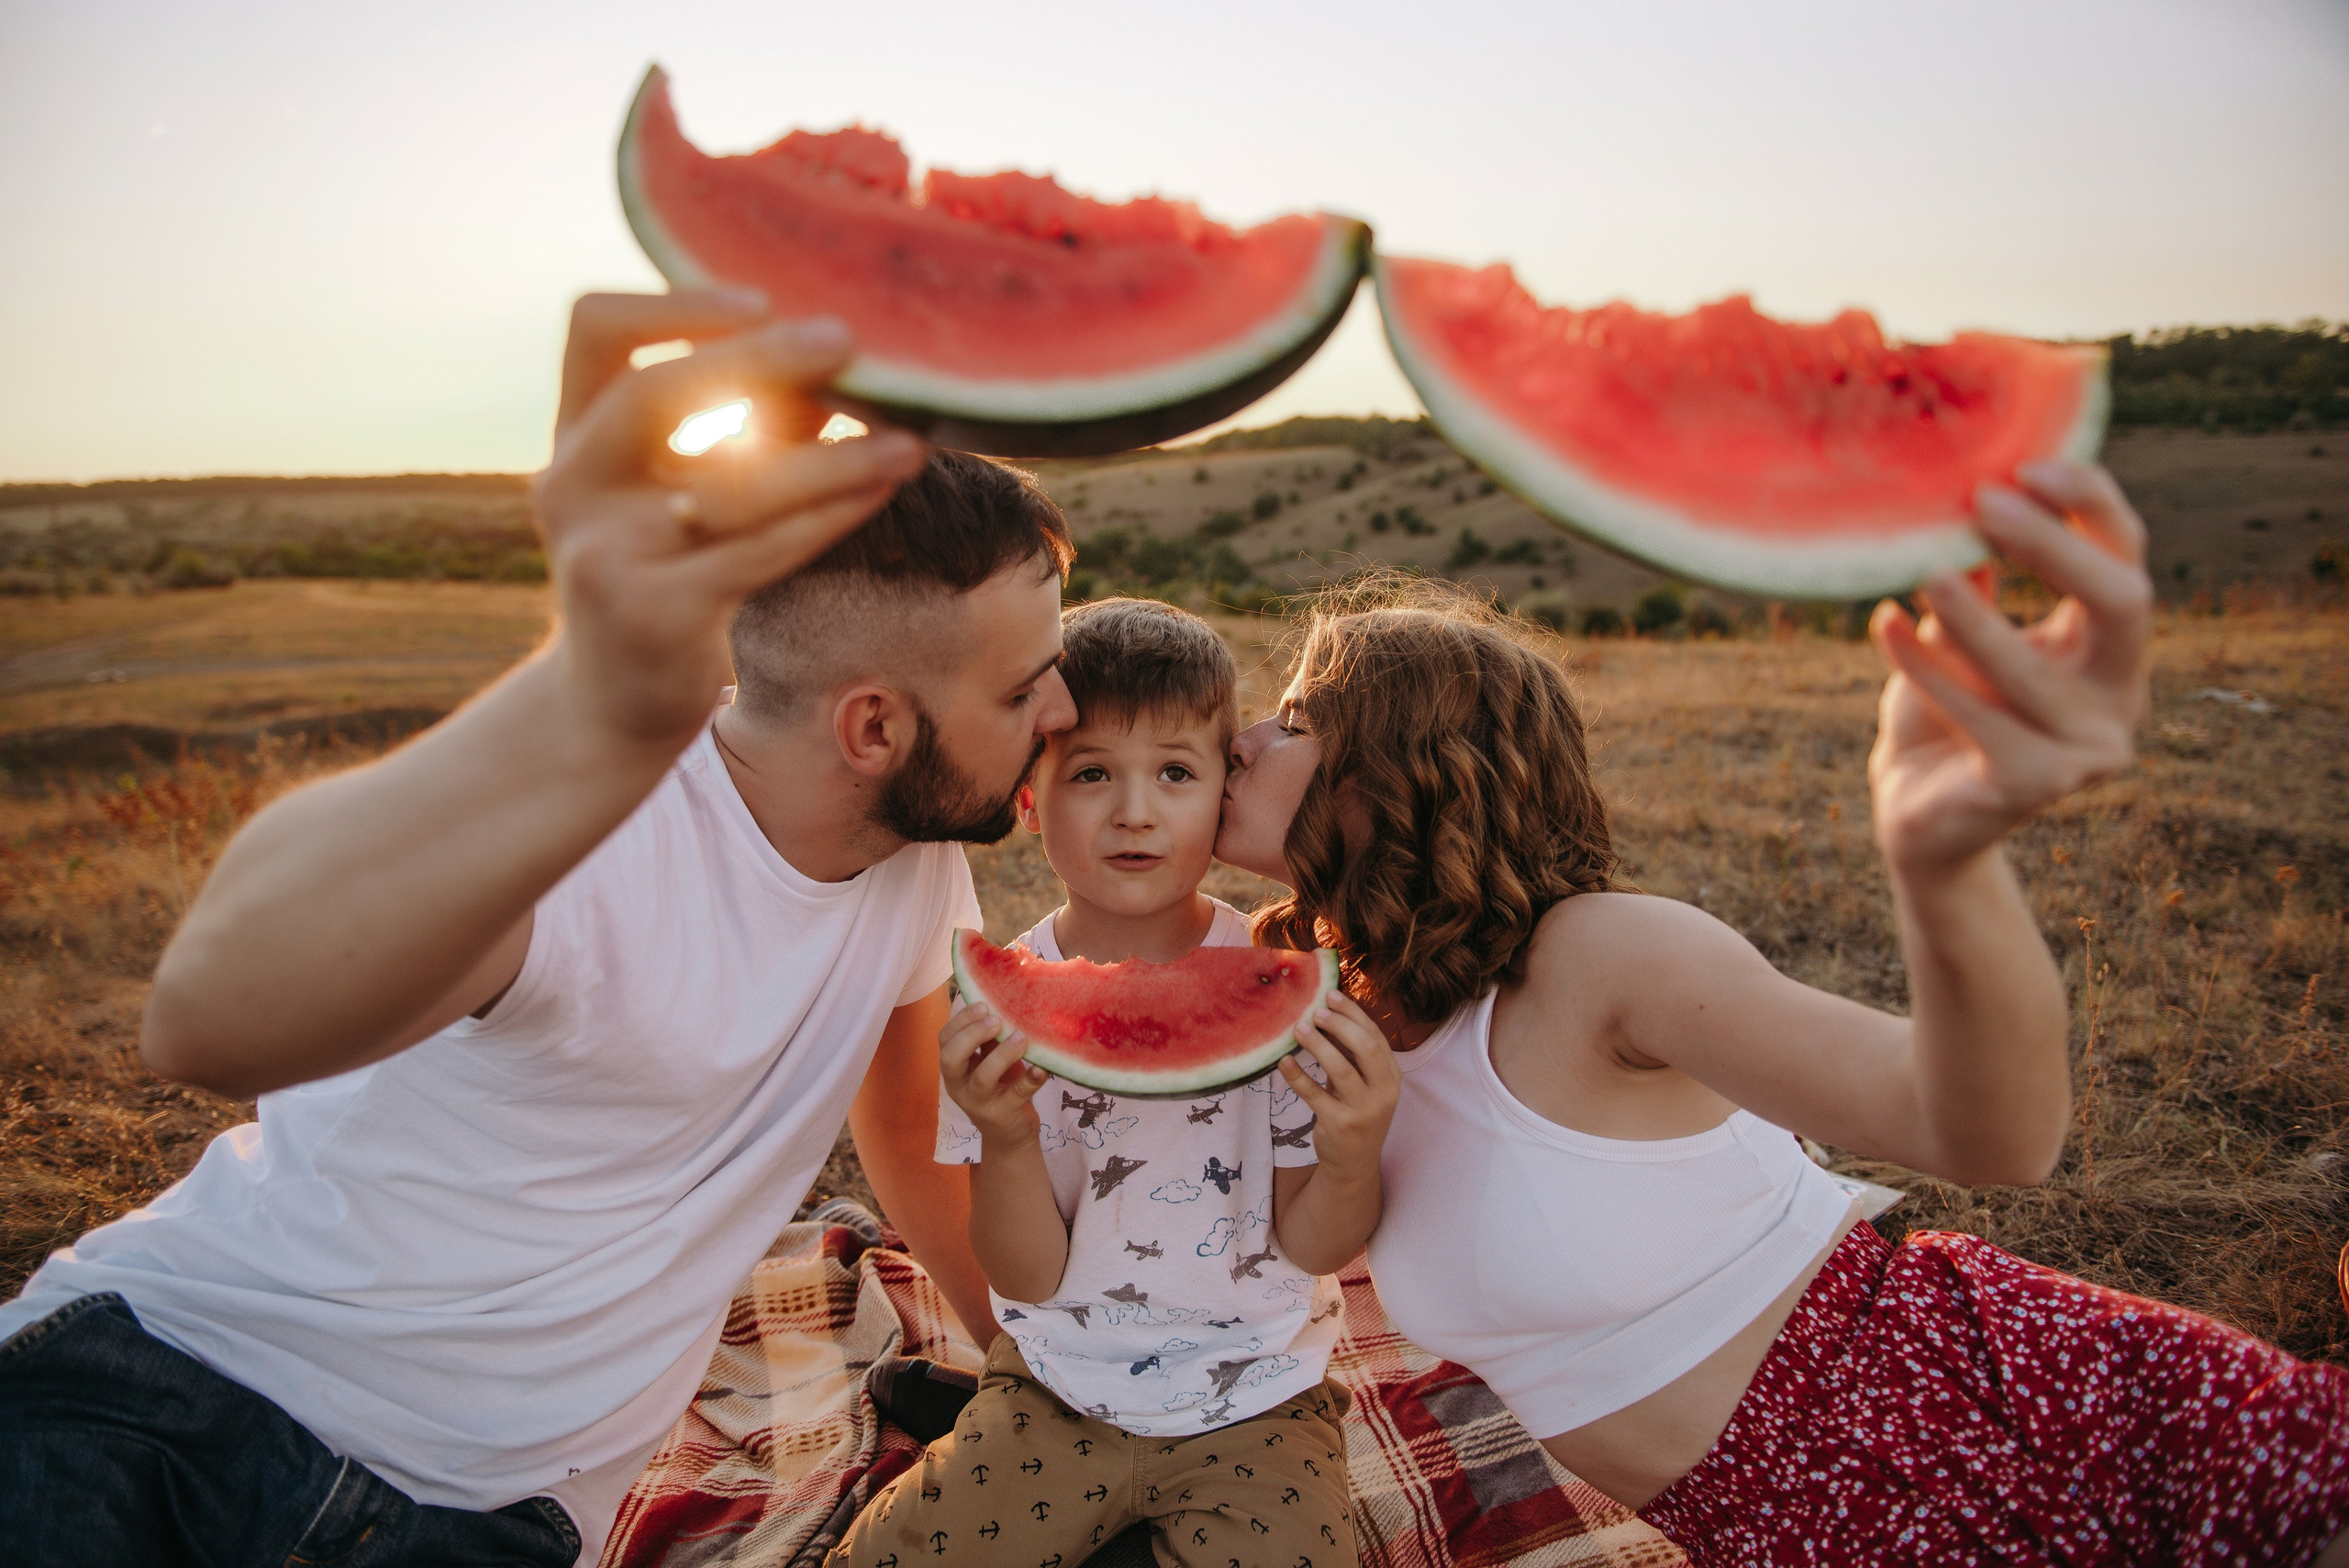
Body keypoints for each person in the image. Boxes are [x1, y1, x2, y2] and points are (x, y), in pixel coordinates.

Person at [0, 292, 1073, 1566]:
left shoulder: (916, 864)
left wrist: (1041, 1377)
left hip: (482, 1520)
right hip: (172, 1391)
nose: (1063, 707)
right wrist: (594, 692)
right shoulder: (595, 825)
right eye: (1023, 685)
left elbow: (905, 1132)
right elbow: (209, 1018)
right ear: (875, 730)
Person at [1211, 465, 2349, 1567]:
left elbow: (1990, 1136)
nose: (1247, 738)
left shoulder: (1598, 952)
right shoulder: (1337, 995)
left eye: (1299, 715)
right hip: (1779, 1526)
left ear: (1407, 772)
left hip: (1964, 1415)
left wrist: (1944, 863)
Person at [831, 598, 1396, 1568]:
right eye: (1091, 772)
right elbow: (1026, 1276)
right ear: (1026, 794)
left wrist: (1352, 1147)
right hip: (1056, 1388)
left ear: (1223, 789)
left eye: (1175, 772)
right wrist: (1004, 1137)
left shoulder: (1287, 982)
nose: (1135, 810)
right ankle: (983, 1420)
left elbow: (1314, 1241)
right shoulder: (995, 1016)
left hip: (1256, 1398)